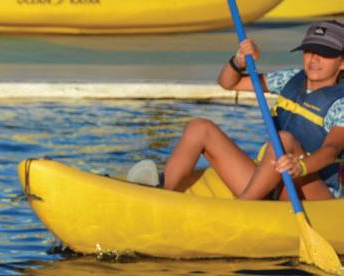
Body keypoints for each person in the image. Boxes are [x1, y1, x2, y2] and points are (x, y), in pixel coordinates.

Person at [128, 20, 344, 200]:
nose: (314, 59)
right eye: (309, 51)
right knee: (199, 127)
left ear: (342, 63)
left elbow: (331, 150)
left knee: (284, 140)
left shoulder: (340, 103)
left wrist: (300, 167)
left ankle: (244, 208)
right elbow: (228, 83)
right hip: (270, 180)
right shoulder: (290, 79)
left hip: (312, 191)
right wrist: (238, 61)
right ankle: (161, 194)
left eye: (325, 54)